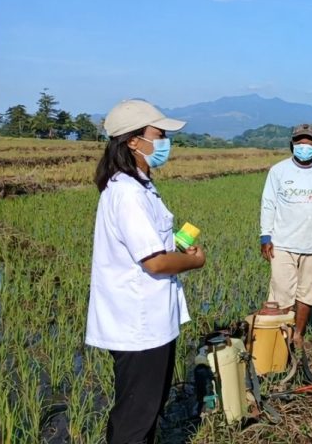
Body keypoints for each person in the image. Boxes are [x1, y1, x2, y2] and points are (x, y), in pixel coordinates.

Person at [86, 99, 205, 444]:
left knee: (144, 412)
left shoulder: (138, 186)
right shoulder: (127, 194)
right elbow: (154, 262)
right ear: (134, 141)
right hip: (137, 326)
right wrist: (195, 261)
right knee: (135, 420)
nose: (166, 141)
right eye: (160, 134)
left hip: (149, 320)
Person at [260, 123, 312, 383]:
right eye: (300, 142)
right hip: (282, 243)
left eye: (310, 142)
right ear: (292, 144)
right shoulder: (279, 171)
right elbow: (268, 203)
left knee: (307, 294)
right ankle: (279, 342)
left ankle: (298, 336)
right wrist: (265, 236)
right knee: (282, 293)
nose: (305, 147)